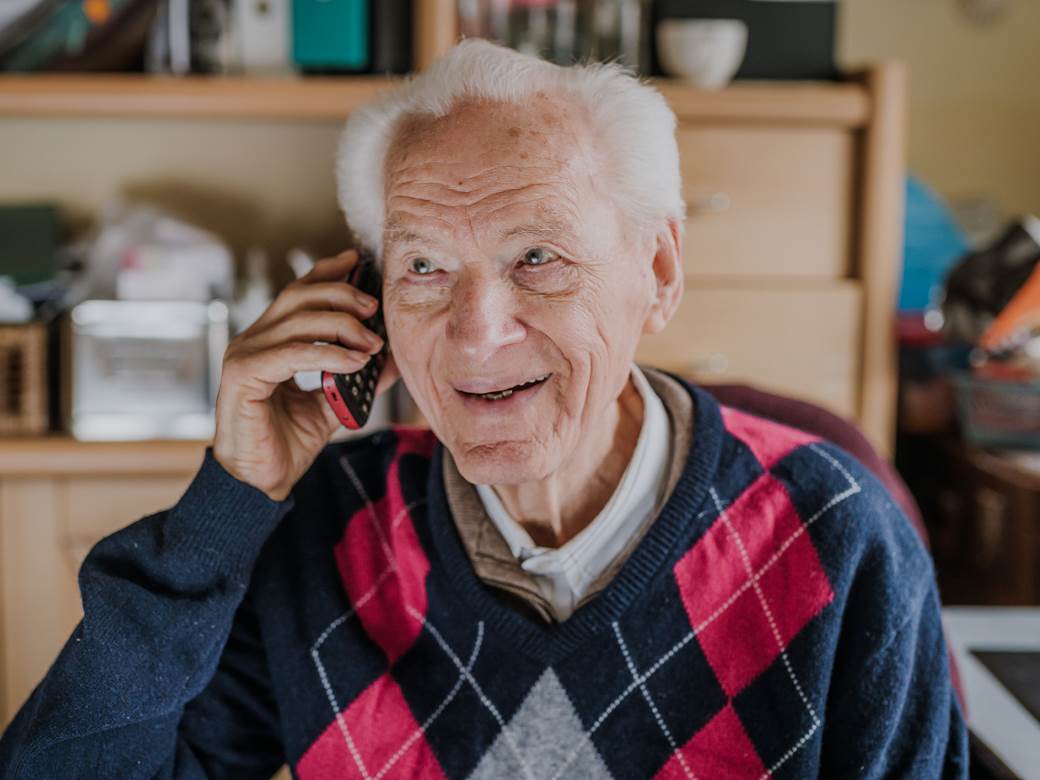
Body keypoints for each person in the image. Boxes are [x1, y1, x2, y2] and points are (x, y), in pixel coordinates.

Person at [0, 39, 966, 779]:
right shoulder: (328, 531)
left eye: (537, 256)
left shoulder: (841, 538)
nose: (475, 334)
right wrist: (229, 501)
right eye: (424, 267)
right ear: (370, 300)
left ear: (659, 271)